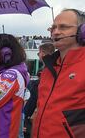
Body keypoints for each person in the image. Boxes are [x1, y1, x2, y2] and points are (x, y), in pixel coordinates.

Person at [32, 9, 85, 138]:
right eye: (53, 28)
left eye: (63, 27)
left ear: (82, 32)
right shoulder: (47, 69)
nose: (55, 32)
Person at [23, 43, 55, 138]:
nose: (39, 55)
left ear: (43, 53)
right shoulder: (49, 69)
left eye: (39, 53)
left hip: (37, 114)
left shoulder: (48, 70)